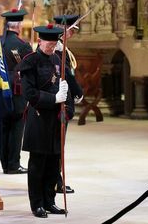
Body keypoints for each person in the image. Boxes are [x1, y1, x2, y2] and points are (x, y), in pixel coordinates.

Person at [17, 24, 74, 218]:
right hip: (39, 118)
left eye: (54, 43)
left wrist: (67, 106)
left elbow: (68, 89)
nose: (51, 47)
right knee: (37, 164)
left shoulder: (58, 60)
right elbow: (29, 94)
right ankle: (37, 204)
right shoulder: (30, 62)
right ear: (39, 41)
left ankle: (50, 201)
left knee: (53, 163)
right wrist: (53, 98)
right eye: (48, 43)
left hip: (56, 120)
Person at [53, 14, 84, 194]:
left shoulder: (61, 48)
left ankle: (57, 180)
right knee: (57, 144)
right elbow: (67, 75)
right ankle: (56, 181)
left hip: (64, 101)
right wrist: (78, 92)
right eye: (71, 31)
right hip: (59, 103)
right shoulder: (57, 50)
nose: (71, 34)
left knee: (58, 144)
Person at [0, 8, 32, 175]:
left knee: (4, 126)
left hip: (0, 87)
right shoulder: (23, 46)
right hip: (17, 88)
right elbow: (30, 69)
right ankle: (13, 164)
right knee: (17, 126)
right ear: (18, 25)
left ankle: (5, 162)